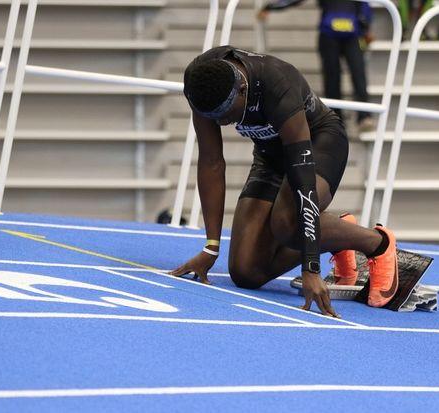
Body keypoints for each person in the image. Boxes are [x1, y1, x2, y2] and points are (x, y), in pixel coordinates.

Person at [169, 46, 399, 316]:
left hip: (317, 146)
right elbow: (211, 162)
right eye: (213, 116)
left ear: (242, 89)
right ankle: (336, 233)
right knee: (246, 272)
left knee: (288, 223)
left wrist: (310, 267)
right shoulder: (201, 82)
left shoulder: (278, 84)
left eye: (224, 113)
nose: (219, 122)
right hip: (270, 156)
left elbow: (303, 176)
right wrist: (211, 248)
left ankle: (377, 243)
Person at [258, 0, 376, 133]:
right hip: (330, 36)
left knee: (358, 74)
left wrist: (366, 29)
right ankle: (337, 119)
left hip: (352, 35)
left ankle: (364, 117)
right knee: (332, 79)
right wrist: (271, 7)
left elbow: (364, 5)